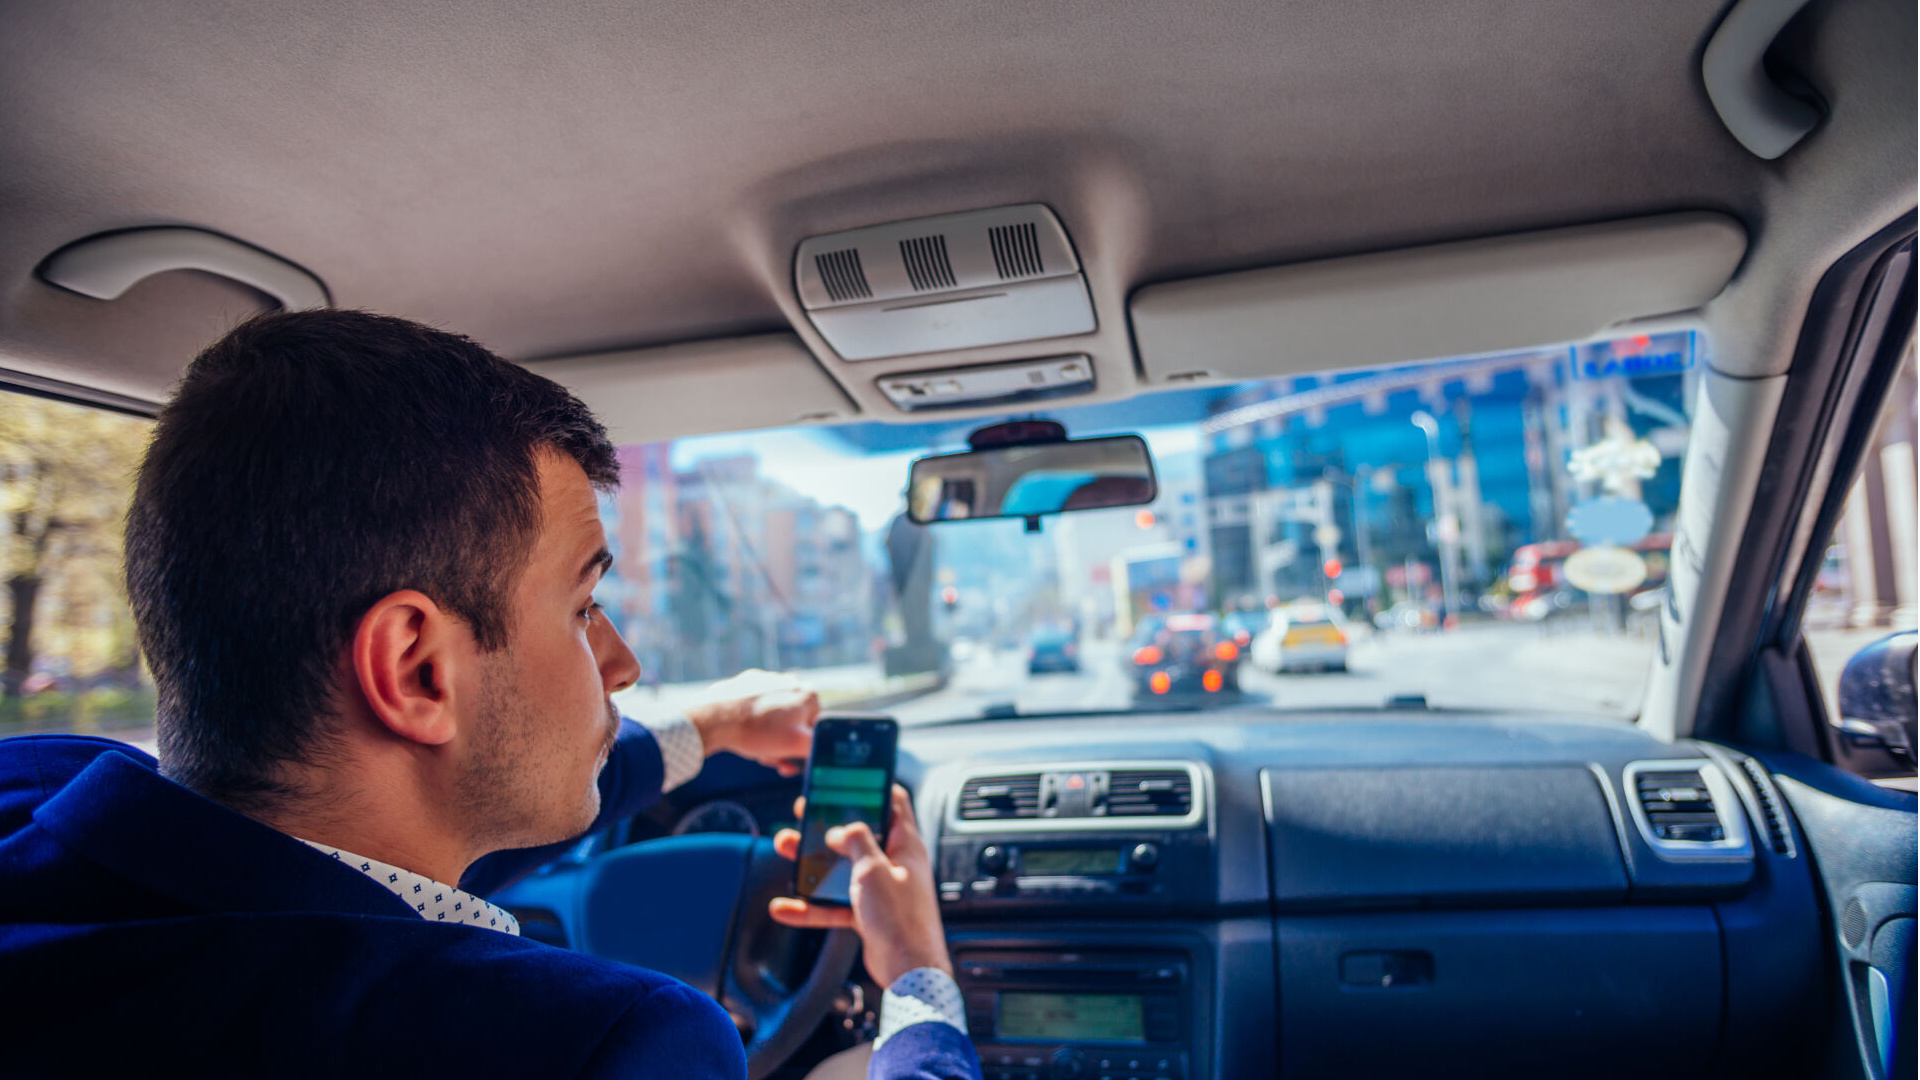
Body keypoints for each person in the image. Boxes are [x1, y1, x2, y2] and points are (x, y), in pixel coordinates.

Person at [0, 310, 980, 1080]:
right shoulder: (597, 1045)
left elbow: (400, 830)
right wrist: (919, 983)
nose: (624, 663)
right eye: (584, 606)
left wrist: (714, 727)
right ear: (417, 669)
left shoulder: (35, 797)